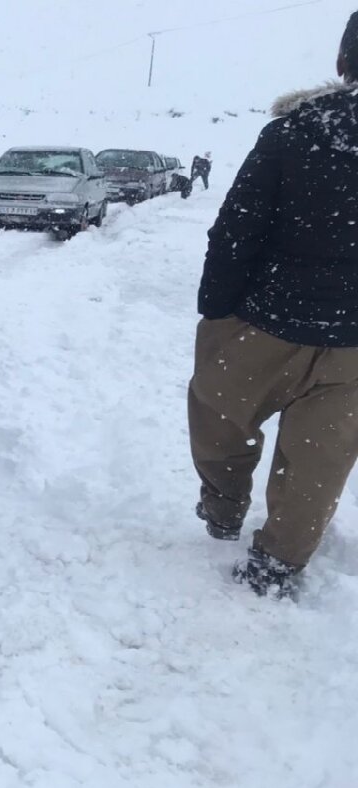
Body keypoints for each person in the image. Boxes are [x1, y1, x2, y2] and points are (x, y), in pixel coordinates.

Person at [188, 11, 358, 598]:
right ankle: (278, 563)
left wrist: (217, 312)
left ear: (342, 64)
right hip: (354, 345)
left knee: (218, 414)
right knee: (321, 458)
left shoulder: (294, 134)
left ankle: (224, 508)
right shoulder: (294, 135)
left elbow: (237, 229)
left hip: (266, 322)